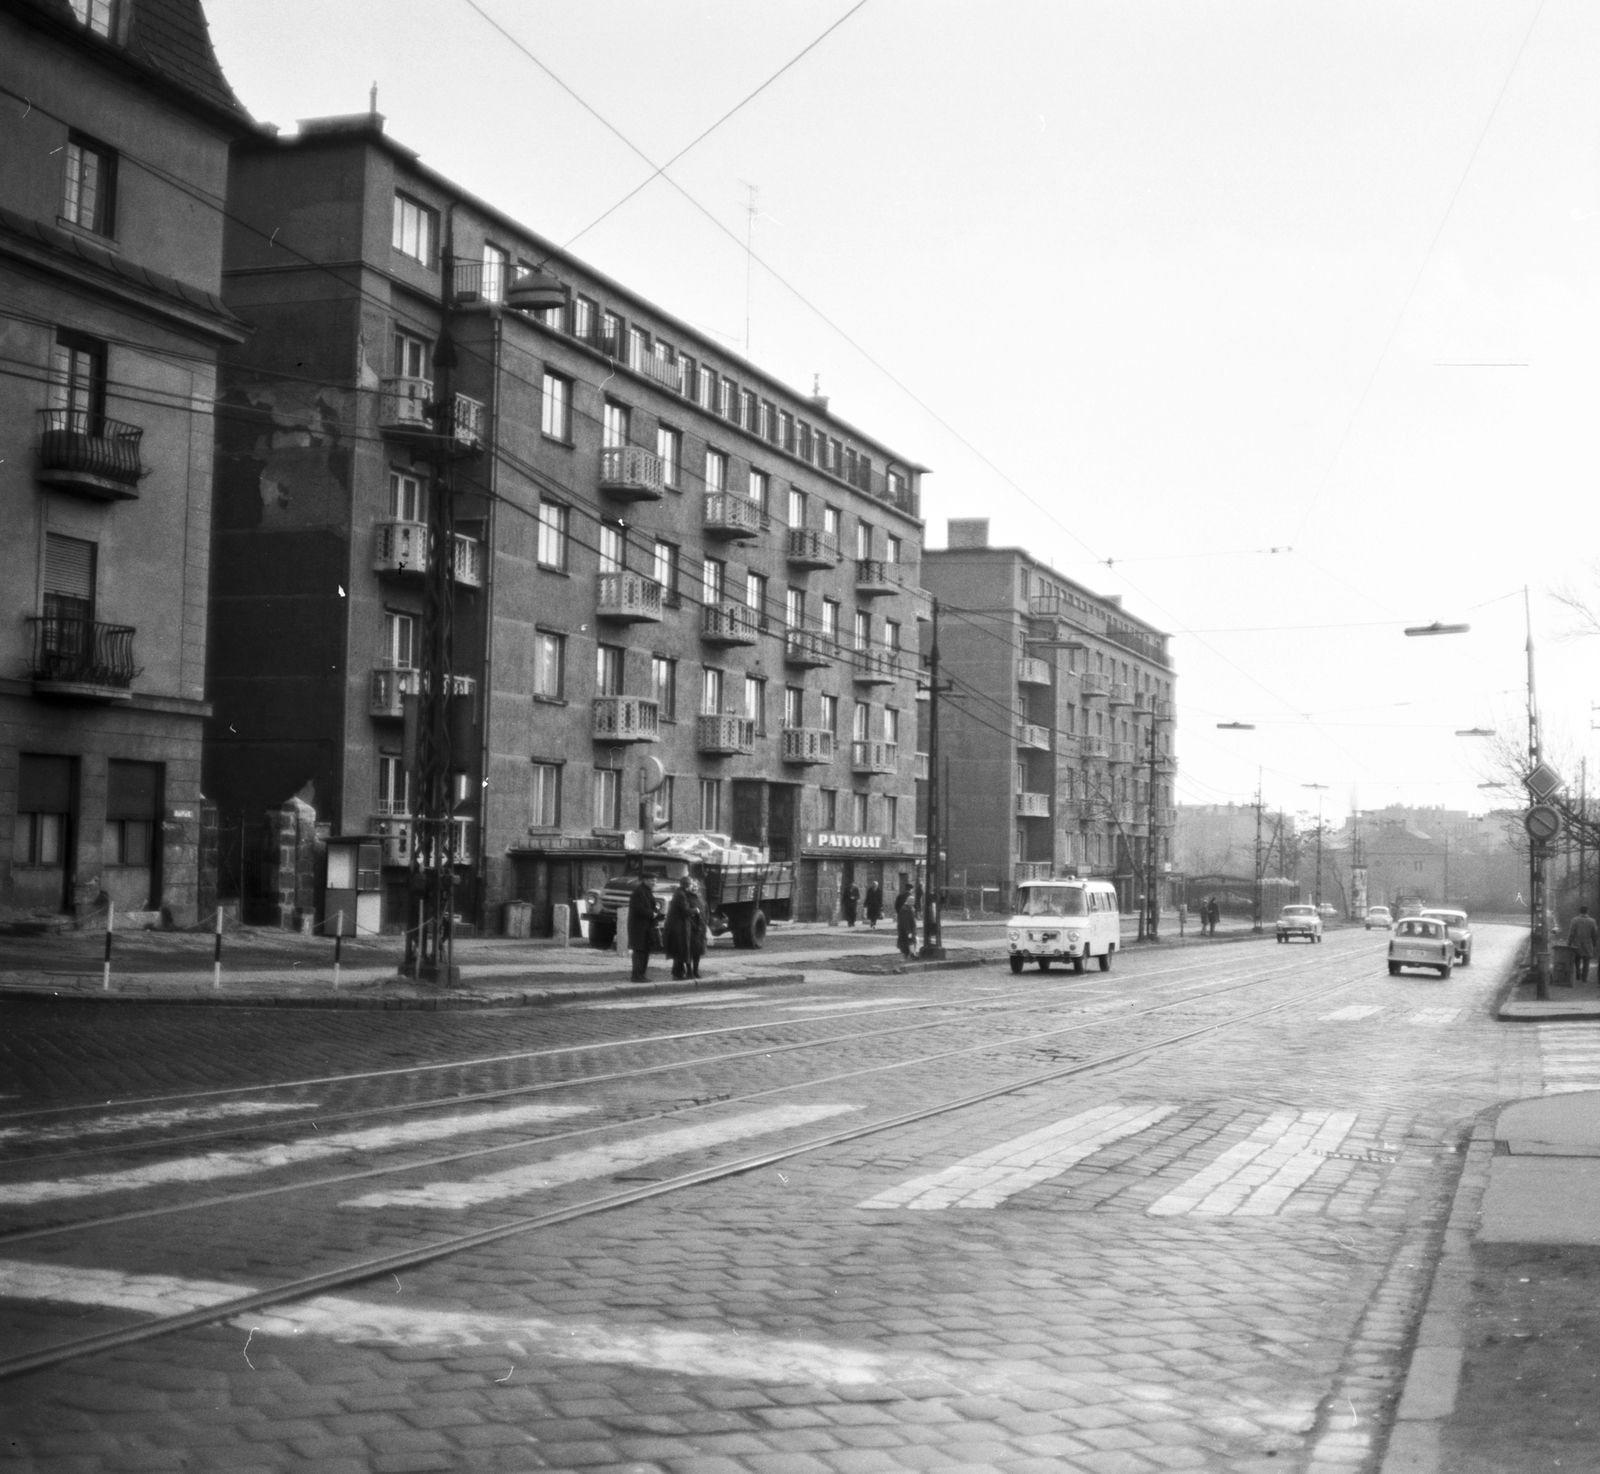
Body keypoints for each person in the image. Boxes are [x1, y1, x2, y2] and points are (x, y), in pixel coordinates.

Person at [626, 874, 657, 982]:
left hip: (646, 926)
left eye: (655, 880)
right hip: (638, 927)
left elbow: (651, 906)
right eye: (652, 880)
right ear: (645, 880)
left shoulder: (647, 891)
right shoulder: (639, 892)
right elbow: (638, 908)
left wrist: (657, 913)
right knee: (639, 951)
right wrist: (652, 914)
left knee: (645, 950)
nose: (654, 883)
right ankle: (636, 975)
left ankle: (642, 974)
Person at [663, 876, 693, 980]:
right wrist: (695, 911)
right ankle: (677, 973)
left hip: (676, 926)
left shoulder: (679, 892)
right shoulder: (681, 894)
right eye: (691, 884)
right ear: (688, 885)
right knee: (679, 949)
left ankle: (678, 972)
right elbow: (685, 910)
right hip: (677, 927)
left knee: (678, 950)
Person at [1569, 906, 1599, 984]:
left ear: (1579, 911)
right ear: (1587, 911)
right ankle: (1584, 977)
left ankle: (1578, 973)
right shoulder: (1592, 921)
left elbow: (1572, 933)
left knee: (1577, 959)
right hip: (1588, 944)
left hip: (1576, 943)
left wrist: (1569, 942)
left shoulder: (1575, 920)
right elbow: (1595, 933)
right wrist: (1595, 942)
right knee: (1586, 961)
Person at [687, 881, 708, 979]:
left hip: (701, 928)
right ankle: (689, 972)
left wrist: (705, 923)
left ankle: (696, 971)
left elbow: (706, 910)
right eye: (692, 886)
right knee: (690, 952)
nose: (694, 888)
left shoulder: (700, 897)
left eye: (696, 886)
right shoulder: (686, 897)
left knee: (698, 952)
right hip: (692, 928)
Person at [896, 891, 917, 959]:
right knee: (906, 942)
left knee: (911, 941)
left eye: (913, 902)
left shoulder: (910, 908)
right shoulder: (905, 909)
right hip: (905, 929)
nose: (912, 903)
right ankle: (908, 955)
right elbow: (905, 921)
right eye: (911, 902)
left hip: (910, 929)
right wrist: (908, 931)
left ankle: (912, 954)